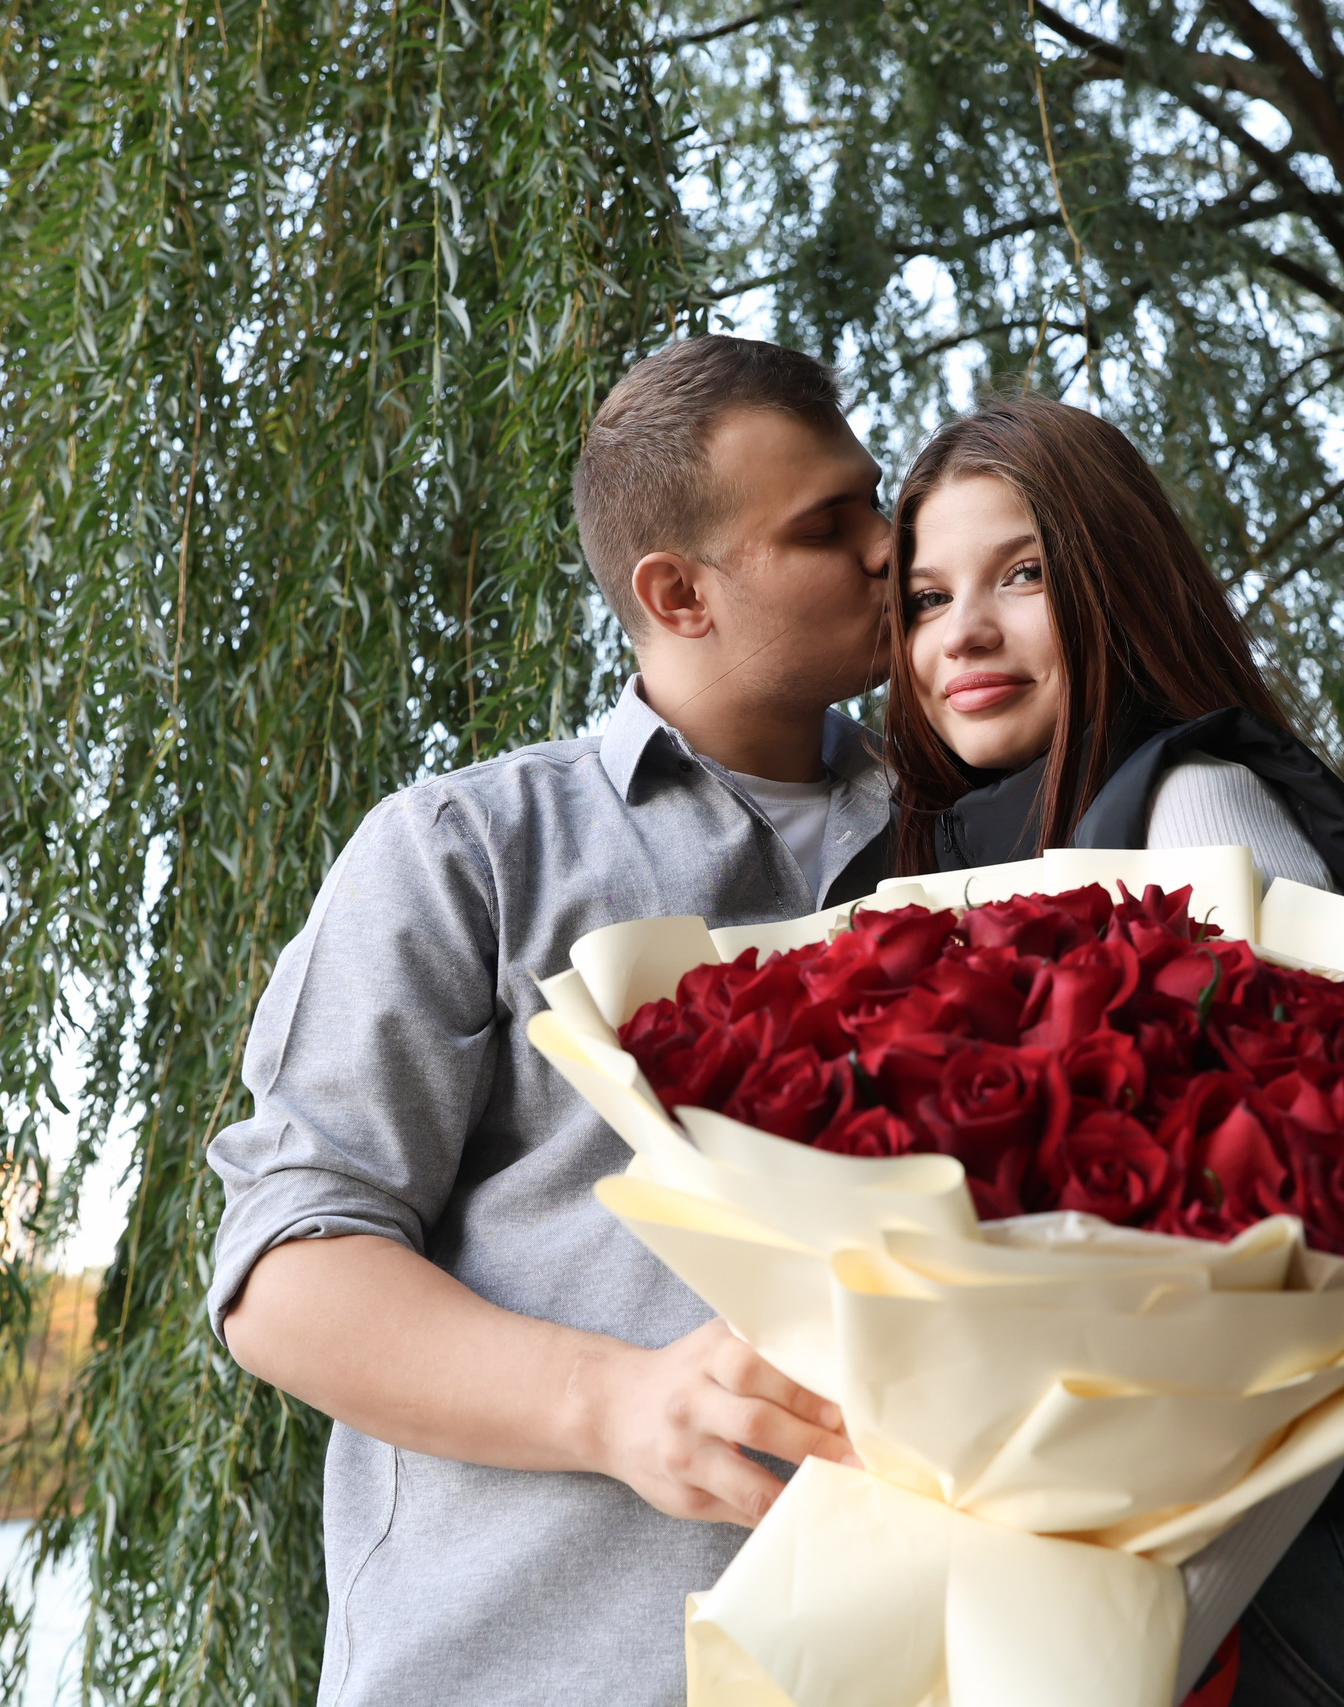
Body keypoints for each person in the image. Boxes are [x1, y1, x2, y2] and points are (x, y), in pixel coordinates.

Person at [209, 336, 897, 1705]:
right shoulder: (468, 851)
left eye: (879, 505)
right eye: (830, 528)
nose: (890, 549)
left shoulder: (989, 843)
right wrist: (616, 1402)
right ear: (677, 593)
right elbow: (286, 1277)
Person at [887, 393, 1344, 1707]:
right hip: (1080, 1601)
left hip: (1271, 1597)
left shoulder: (1195, 802)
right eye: (927, 598)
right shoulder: (933, 863)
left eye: (1023, 575)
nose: (966, 634)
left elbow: (1338, 1213)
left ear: (1116, 578)